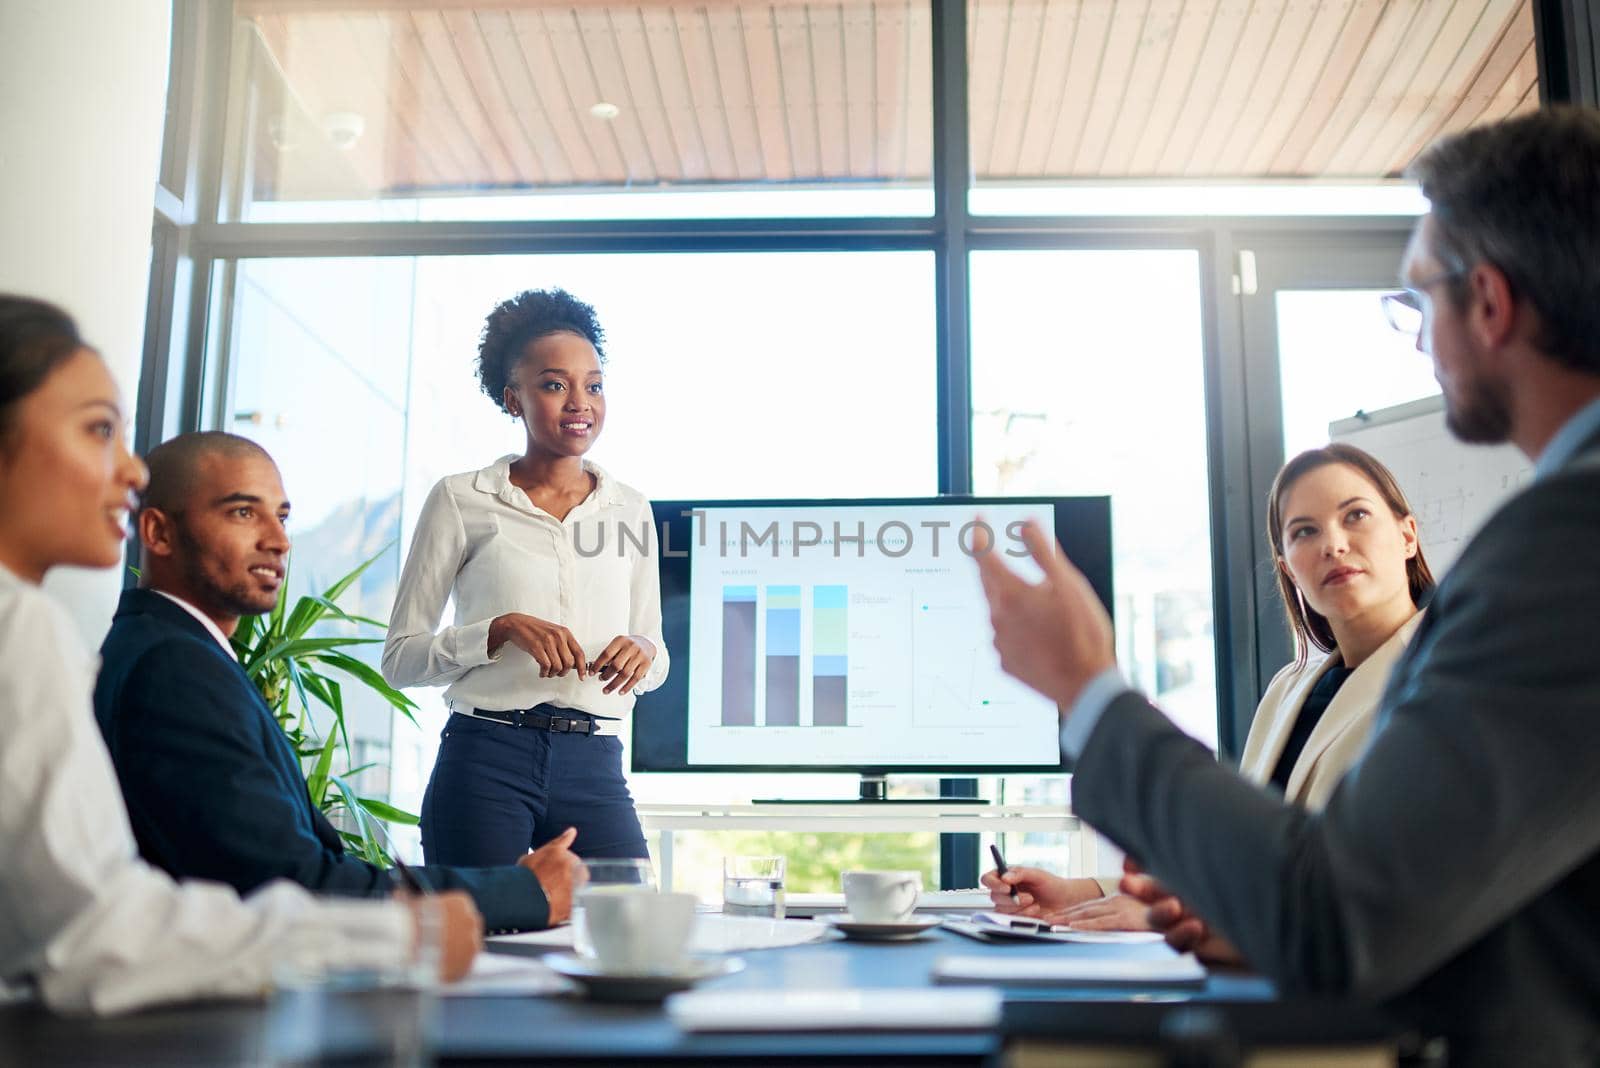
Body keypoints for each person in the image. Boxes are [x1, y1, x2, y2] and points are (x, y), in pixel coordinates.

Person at [975, 107, 1600, 1065]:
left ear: (1489, 301)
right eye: (1303, 532)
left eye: (1417, 300)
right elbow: (1443, 895)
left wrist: (1087, 688)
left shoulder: (1564, 541)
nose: (1419, 338)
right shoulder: (1298, 686)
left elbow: (1340, 910)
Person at [0, 296, 481, 1014]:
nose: (132, 472)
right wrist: (394, 937)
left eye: (281, 515)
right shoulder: (32, 630)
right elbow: (94, 933)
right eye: (99, 430)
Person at [93, 431, 582, 933]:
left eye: (281, 517)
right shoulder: (172, 667)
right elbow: (289, 887)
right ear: (158, 533)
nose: (278, 540)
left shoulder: (173, 650)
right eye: (243, 512)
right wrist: (521, 892)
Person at [982, 445, 1435, 943]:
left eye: (1356, 516)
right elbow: (1249, 861)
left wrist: (1187, 915)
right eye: (1305, 530)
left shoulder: (1438, 684)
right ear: (1288, 568)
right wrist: (1085, 891)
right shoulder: (1289, 689)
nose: (1333, 544)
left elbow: (1367, 899)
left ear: (1407, 535)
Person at [383, 289, 669, 867]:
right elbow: (400, 659)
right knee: (479, 942)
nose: (579, 402)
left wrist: (642, 651)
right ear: (514, 399)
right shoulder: (461, 499)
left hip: (595, 762)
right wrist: (499, 630)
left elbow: (656, 656)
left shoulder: (630, 509)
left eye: (593, 384)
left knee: (628, 936)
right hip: (485, 758)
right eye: (554, 384)